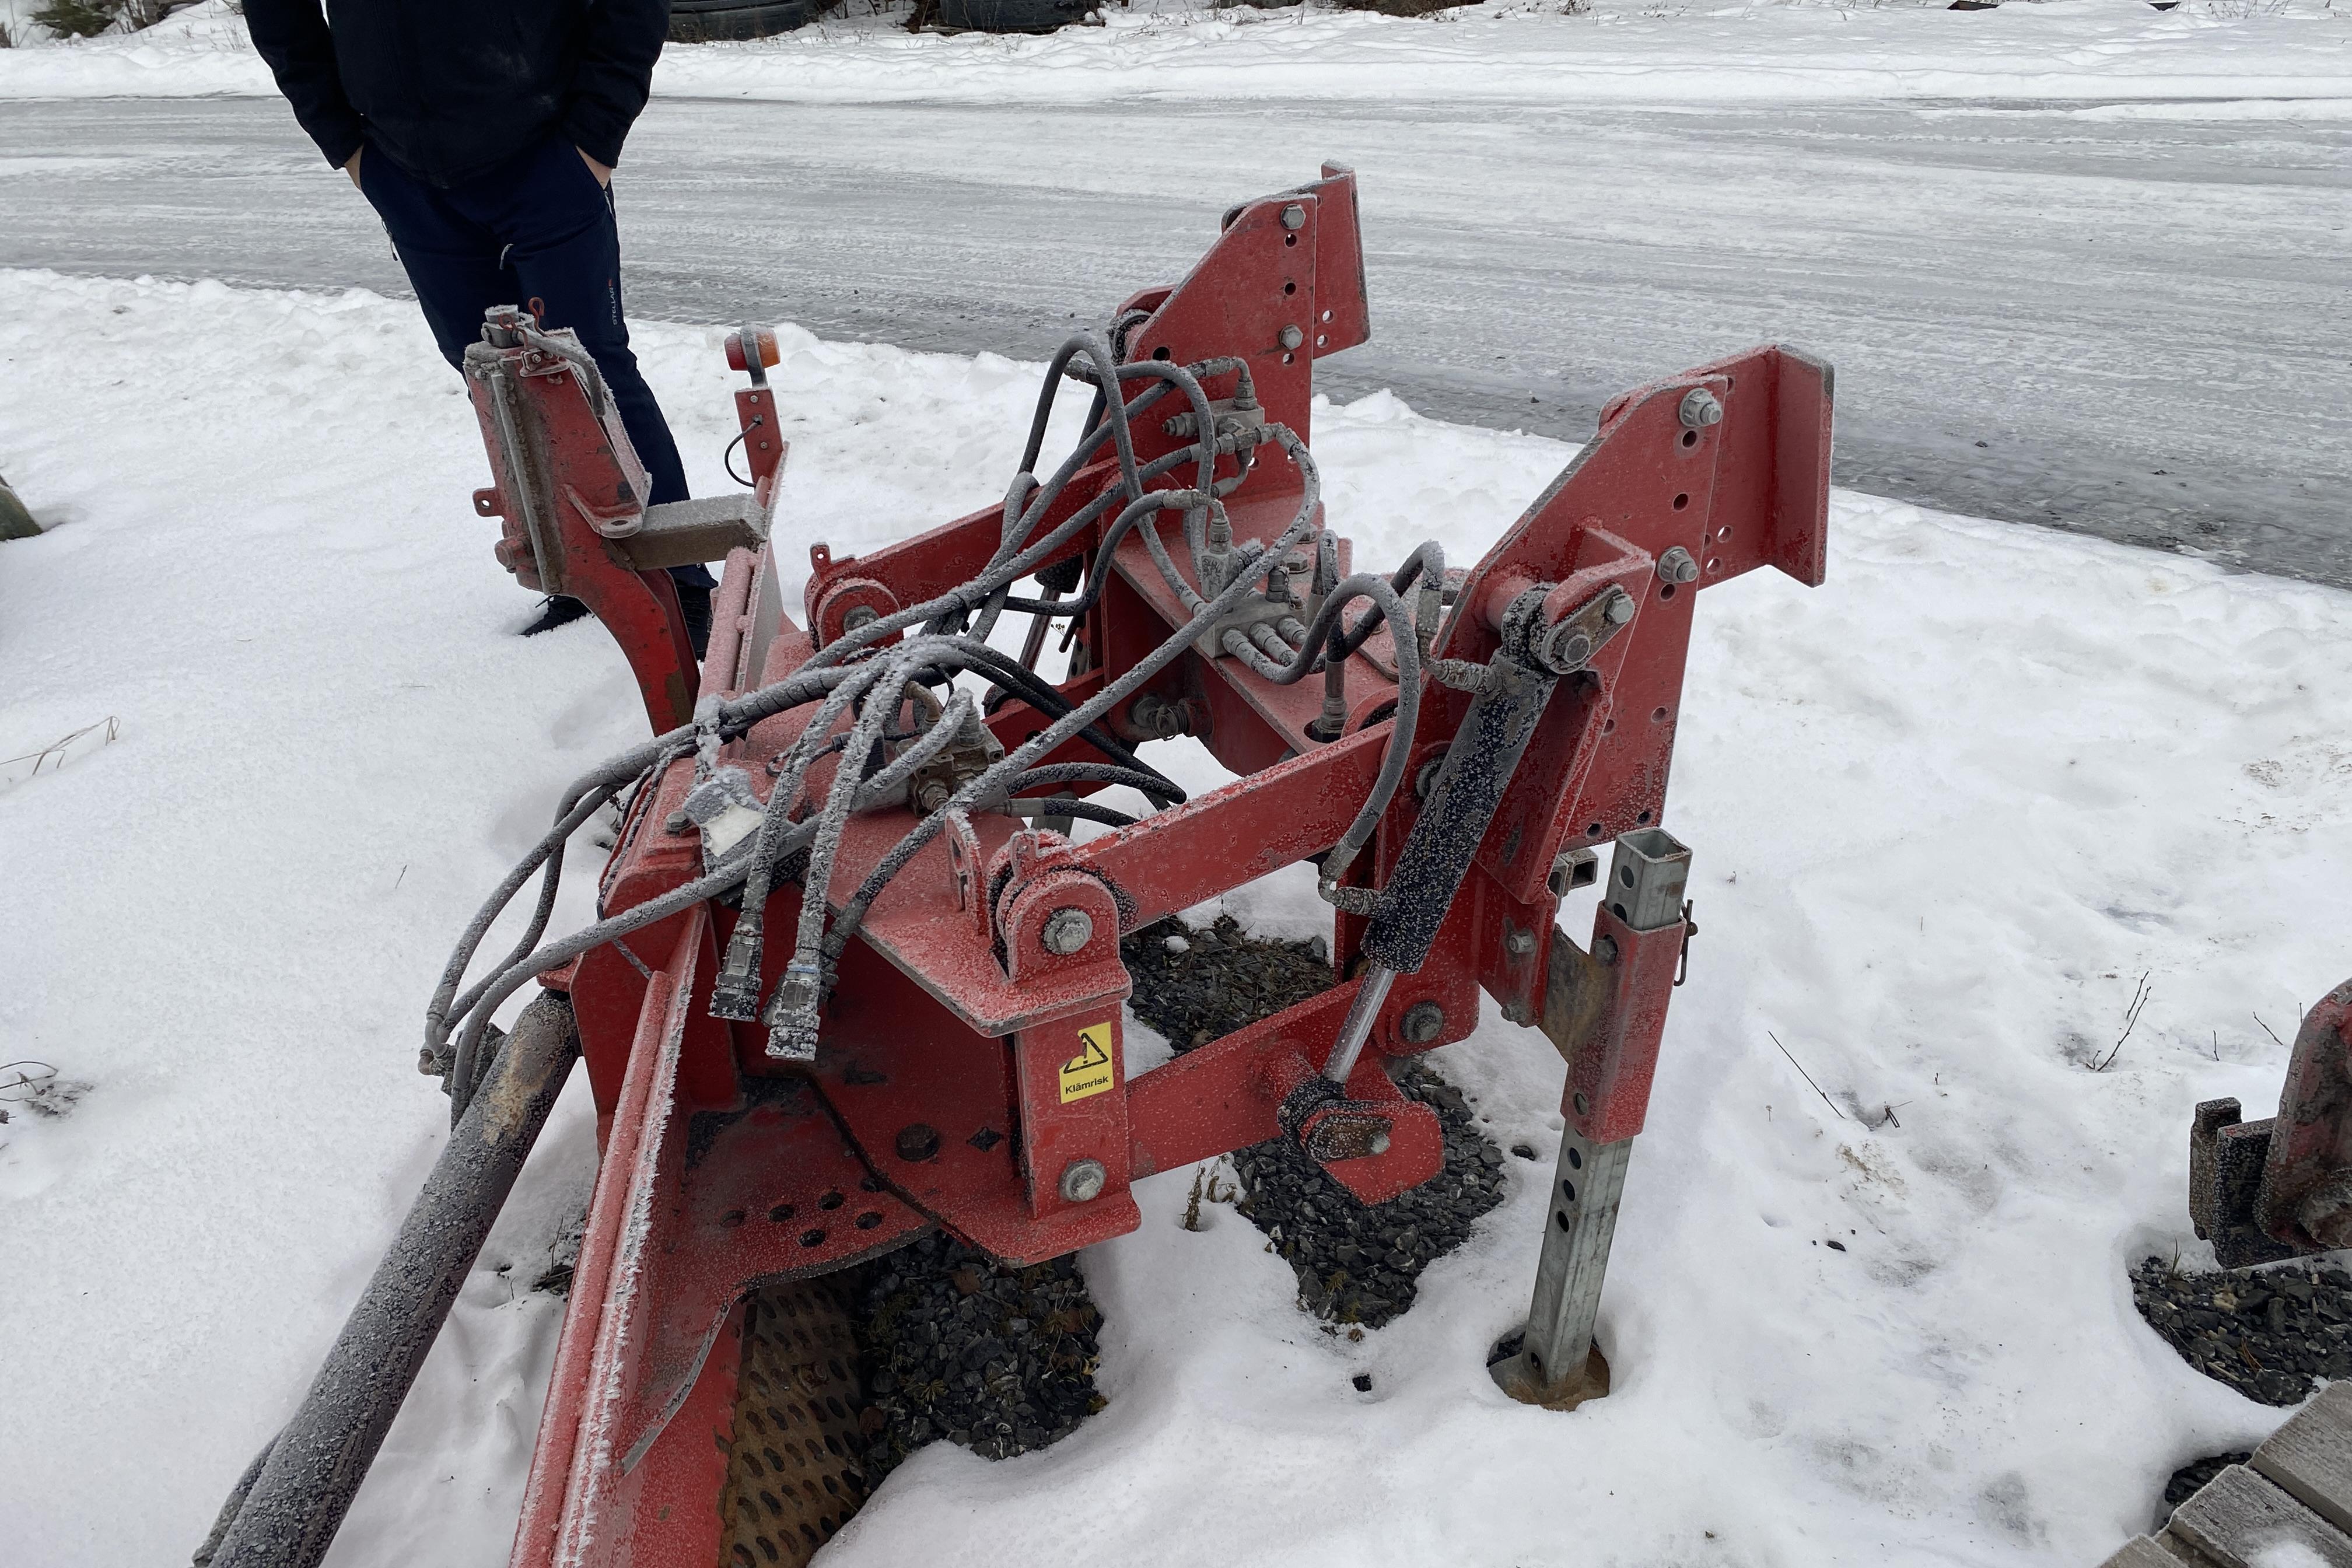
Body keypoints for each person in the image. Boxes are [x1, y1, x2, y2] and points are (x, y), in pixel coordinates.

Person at [244, 0, 714, 654]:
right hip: (406, 175)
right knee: (497, 384)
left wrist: (594, 139)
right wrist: (349, 148)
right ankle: (578, 575)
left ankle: (683, 582)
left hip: (549, 157)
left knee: (589, 372)